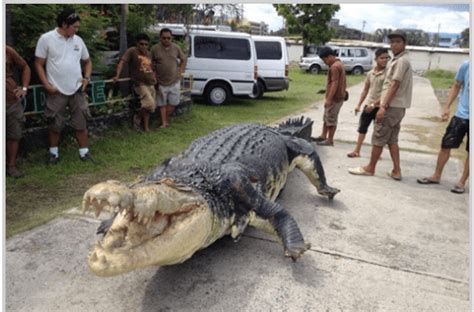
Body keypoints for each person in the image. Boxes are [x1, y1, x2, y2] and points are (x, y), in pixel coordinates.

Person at [348, 29, 413, 180]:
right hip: (397, 107)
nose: (394, 45)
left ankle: (370, 168)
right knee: (392, 140)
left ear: (405, 43)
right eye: (392, 42)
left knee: (378, 137)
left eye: (398, 42)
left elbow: (394, 85)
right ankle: (397, 171)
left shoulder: (401, 61)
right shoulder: (397, 60)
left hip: (391, 107)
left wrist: (382, 107)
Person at [35, 8, 94, 164]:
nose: (76, 29)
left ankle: (84, 153)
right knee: (55, 122)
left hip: (77, 88)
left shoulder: (78, 40)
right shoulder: (46, 39)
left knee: (81, 119)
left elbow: (87, 61)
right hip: (56, 90)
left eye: (77, 27)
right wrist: (46, 85)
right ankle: (53, 153)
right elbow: (38, 64)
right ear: (63, 24)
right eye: (74, 26)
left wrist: (86, 77)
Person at [417, 60, 470, 194]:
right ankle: (436, 176)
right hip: (461, 115)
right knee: (445, 145)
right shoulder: (467, 65)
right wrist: (446, 107)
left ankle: (462, 182)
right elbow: (457, 85)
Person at [347, 48, 390, 158]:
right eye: (382, 58)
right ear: (376, 59)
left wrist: (374, 105)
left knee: (378, 131)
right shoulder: (370, 73)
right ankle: (357, 151)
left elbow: (388, 93)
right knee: (362, 128)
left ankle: (376, 154)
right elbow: (366, 90)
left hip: (381, 107)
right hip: (369, 105)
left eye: (386, 58)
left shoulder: (388, 74)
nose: (384, 60)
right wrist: (359, 105)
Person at [113, 33, 156, 132]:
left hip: (150, 82)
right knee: (149, 104)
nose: (144, 46)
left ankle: (146, 127)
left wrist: (154, 77)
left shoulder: (148, 54)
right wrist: (117, 76)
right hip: (140, 83)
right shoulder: (132, 51)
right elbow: (122, 62)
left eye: (146, 44)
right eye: (141, 44)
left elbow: (151, 68)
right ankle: (137, 117)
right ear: (137, 43)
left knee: (150, 108)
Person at [151, 28, 187, 128]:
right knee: (162, 104)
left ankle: (165, 119)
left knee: (173, 103)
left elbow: (183, 59)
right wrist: (153, 74)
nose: (166, 40)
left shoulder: (176, 48)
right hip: (160, 81)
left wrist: (181, 71)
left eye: (168, 38)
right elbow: (150, 63)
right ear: (160, 38)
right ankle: (164, 123)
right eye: (164, 38)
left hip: (174, 81)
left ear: (171, 38)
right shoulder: (155, 49)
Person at [313, 46, 347, 146]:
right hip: (337, 96)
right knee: (326, 117)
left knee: (331, 119)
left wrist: (329, 98)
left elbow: (334, 83)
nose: (324, 62)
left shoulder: (335, 67)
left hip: (335, 98)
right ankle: (323, 136)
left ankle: (330, 139)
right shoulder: (339, 63)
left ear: (330, 56)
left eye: (324, 59)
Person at [6, 46, 31, 178]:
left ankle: (11, 166)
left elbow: (25, 67)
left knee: (14, 134)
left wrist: (24, 88)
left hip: (11, 101)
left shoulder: (7, 50)